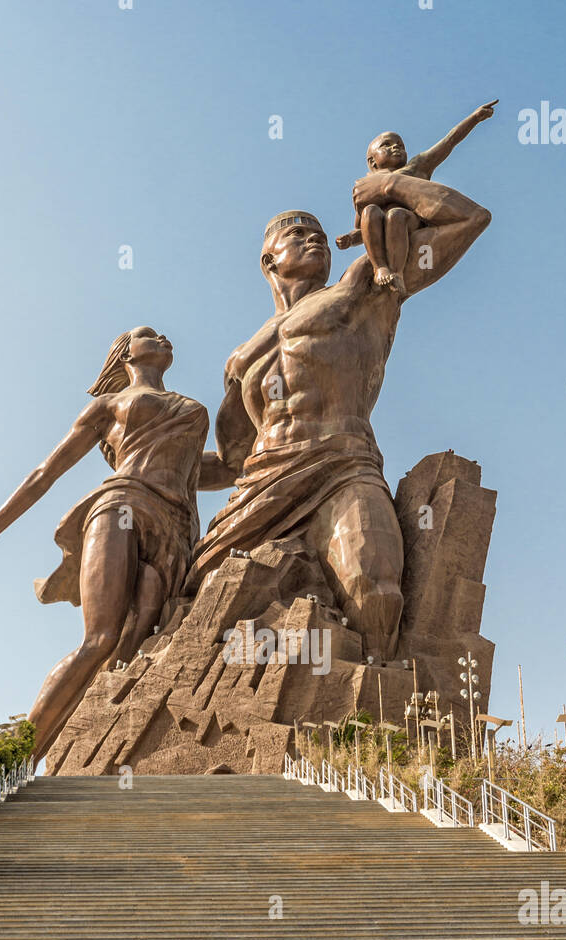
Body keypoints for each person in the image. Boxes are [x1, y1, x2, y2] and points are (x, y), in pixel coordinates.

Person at [185, 172, 491, 663]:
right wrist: (147, 471)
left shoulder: (367, 285)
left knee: (376, 589)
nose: (315, 241)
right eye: (298, 236)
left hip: (344, 464)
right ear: (270, 261)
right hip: (261, 486)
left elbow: (470, 217)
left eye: (322, 237)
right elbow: (230, 462)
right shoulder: (241, 357)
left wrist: (391, 183)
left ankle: (376, 725)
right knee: (195, 600)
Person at [0, 327, 213, 760]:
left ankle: (92, 757)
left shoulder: (191, 410)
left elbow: (217, 469)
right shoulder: (108, 407)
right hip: (122, 505)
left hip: (176, 532)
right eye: (149, 334)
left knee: (133, 647)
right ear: (125, 354)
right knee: (102, 638)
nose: (164, 337)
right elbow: (45, 473)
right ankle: (10, 763)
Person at [336, 102, 497, 296]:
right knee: (371, 212)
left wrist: (475, 118)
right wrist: (350, 239)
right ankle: (381, 268)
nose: (396, 146)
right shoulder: (363, 187)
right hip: (382, 235)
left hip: (408, 223)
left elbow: (448, 142)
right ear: (372, 161)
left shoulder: (415, 168)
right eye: (386, 145)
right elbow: (363, 228)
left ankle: (397, 272)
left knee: (396, 215)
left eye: (400, 145)